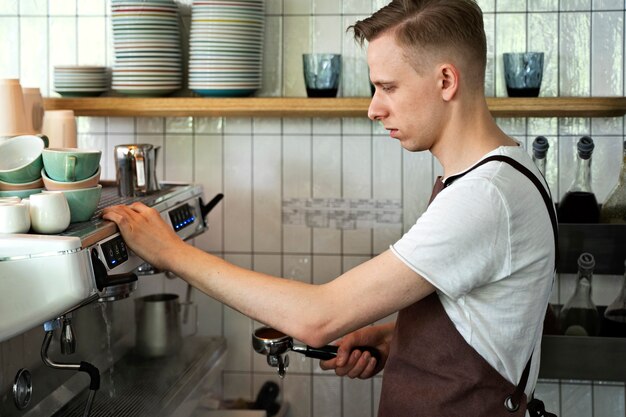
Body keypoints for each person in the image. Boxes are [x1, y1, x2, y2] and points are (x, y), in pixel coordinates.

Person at [103, 0, 556, 415]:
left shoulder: (484, 197)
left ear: (445, 80)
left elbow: (317, 318)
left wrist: (170, 253)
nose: (373, 109)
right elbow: (484, 320)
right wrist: (394, 339)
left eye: (387, 87)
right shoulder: (492, 176)